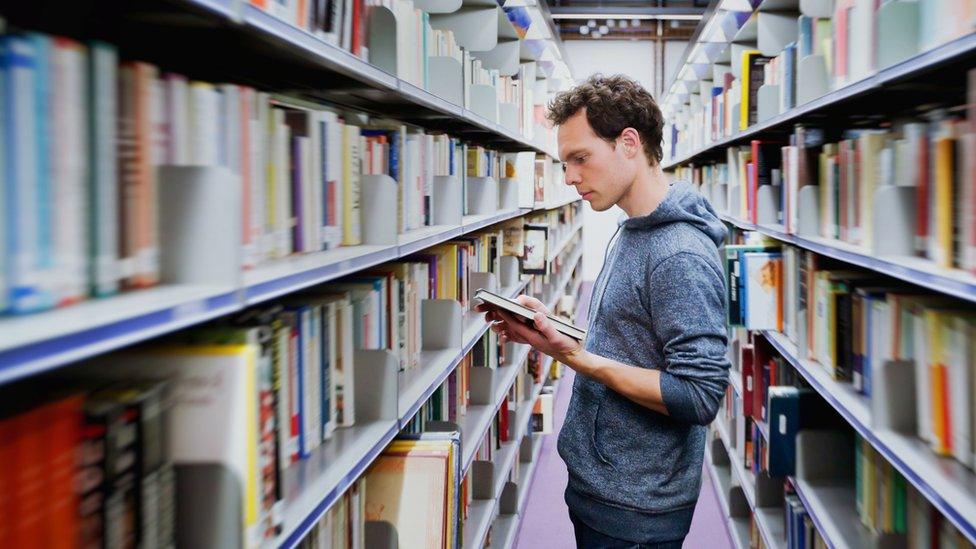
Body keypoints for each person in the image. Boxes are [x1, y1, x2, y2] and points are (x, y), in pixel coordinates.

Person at [478, 74, 730, 548]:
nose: (570, 177)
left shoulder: (679, 255)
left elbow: (699, 394)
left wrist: (575, 359)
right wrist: (555, 336)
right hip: (604, 483)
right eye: (565, 162)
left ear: (629, 143)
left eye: (580, 158)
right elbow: (632, 342)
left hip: (636, 507)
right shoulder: (633, 228)